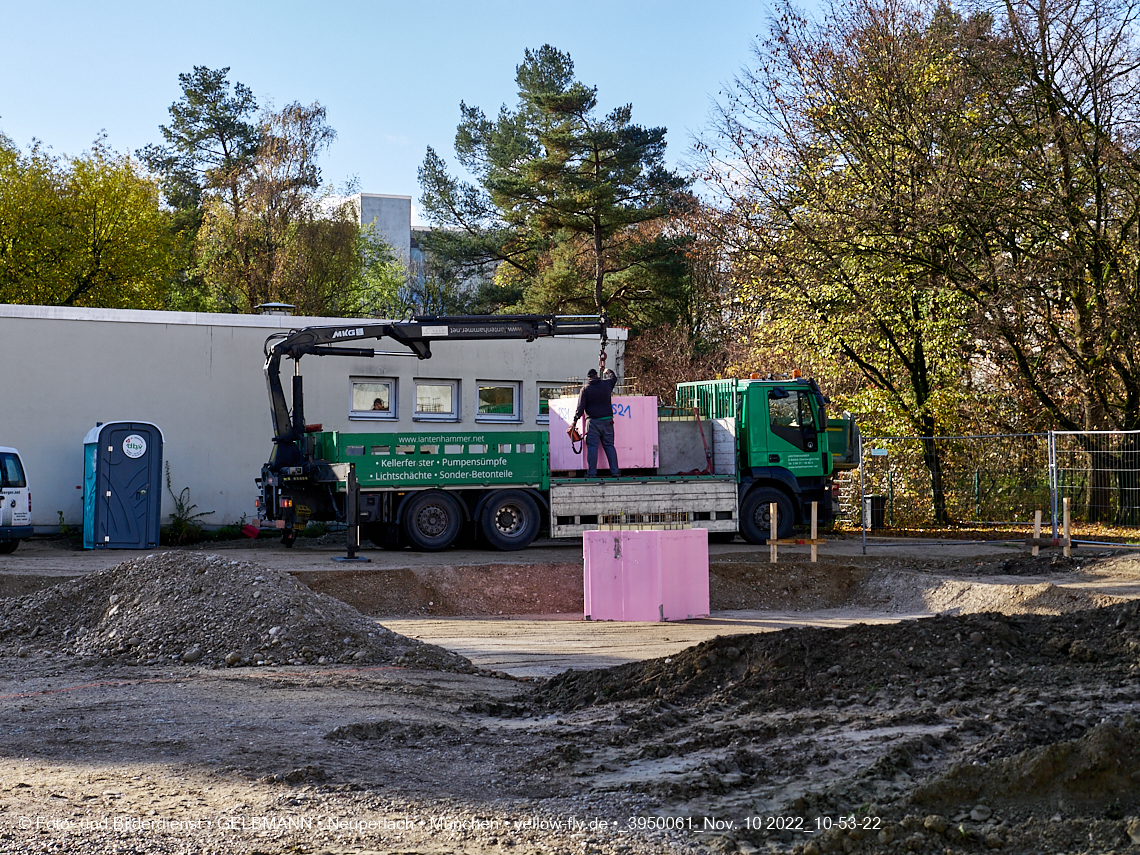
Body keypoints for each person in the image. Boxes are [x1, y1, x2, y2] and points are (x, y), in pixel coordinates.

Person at [573, 365, 620, 478]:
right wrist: (606, 370)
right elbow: (614, 377)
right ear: (597, 376)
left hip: (592, 422)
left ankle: (592, 473)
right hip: (607, 420)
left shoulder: (585, 389)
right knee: (609, 445)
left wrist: (574, 421)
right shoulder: (606, 385)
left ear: (588, 378)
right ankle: (615, 472)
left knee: (592, 447)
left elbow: (580, 408)